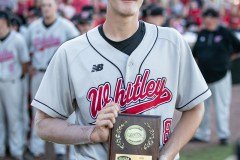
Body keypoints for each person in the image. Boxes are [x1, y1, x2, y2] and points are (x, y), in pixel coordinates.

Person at [32, 0, 211, 160]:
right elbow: (43, 124)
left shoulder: (171, 42)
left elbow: (195, 108)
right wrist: (91, 133)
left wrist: (167, 156)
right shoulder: (71, 52)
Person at [26, 0, 79, 159]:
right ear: (40, 8)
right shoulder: (33, 27)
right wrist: (29, 65)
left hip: (59, 74)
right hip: (39, 73)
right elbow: (26, 49)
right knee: (38, 112)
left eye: (49, 5)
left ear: (56, 7)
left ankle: (60, 150)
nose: (46, 8)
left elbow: (78, 46)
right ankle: (36, 148)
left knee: (61, 111)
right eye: (43, 5)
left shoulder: (66, 25)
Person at [192, 8, 240, 145]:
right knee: (202, 108)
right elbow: (195, 54)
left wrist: (227, 60)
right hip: (204, 77)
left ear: (216, 19)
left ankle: (223, 135)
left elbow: (238, 47)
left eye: (211, 17)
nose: (208, 20)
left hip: (222, 75)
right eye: (205, 17)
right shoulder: (202, 33)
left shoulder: (224, 32)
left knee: (222, 107)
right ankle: (202, 134)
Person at [0, 10, 30, 160]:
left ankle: (16, 150)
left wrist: (19, 77)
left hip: (13, 82)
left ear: (5, 21)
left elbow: (25, 62)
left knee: (14, 118)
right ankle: (1, 150)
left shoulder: (18, 39)